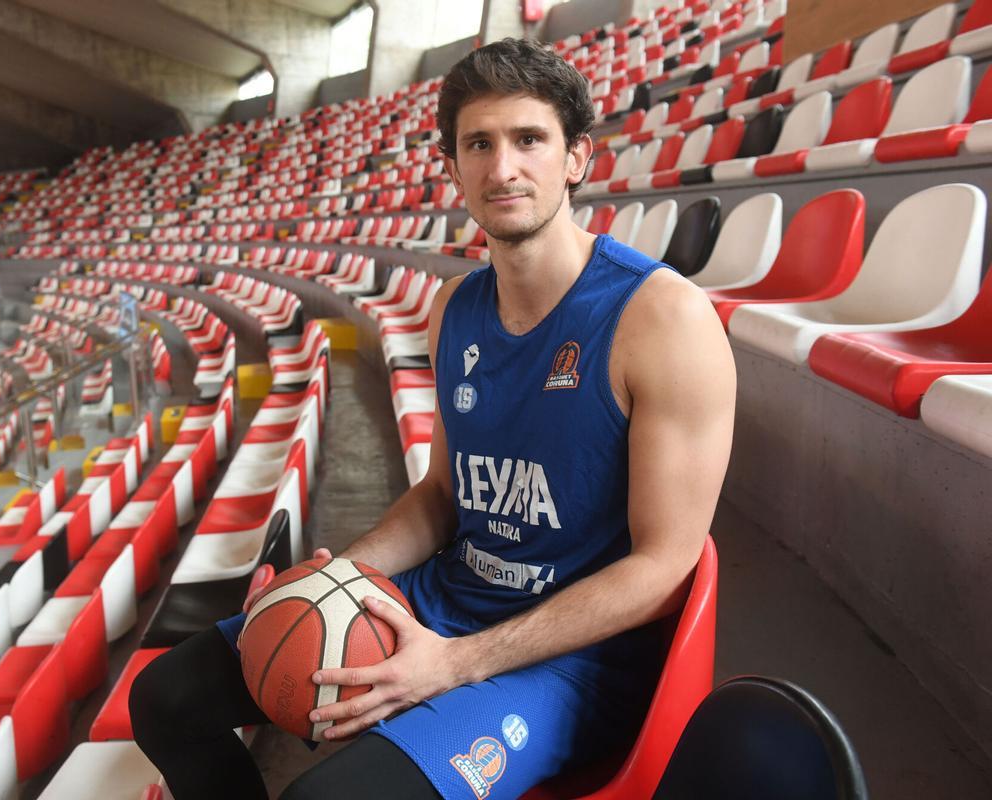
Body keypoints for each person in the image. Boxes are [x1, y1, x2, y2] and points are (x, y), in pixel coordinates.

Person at [129, 37, 735, 800]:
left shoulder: (663, 319)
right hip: (450, 594)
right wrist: (342, 576)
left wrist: (455, 663)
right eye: (478, 144)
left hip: (572, 658)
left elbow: (665, 565)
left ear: (577, 158)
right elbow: (443, 498)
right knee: (166, 699)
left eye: (528, 140)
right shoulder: (455, 309)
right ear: (452, 169)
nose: (502, 168)